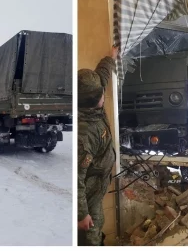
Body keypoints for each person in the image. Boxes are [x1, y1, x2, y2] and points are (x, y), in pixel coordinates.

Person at [78, 46, 118, 246]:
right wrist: (81, 214)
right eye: (102, 93)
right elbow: (77, 179)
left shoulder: (90, 103)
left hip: (98, 185)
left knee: (98, 223)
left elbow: (101, 76)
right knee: (91, 232)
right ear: (98, 101)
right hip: (89, 193)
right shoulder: (85, 134)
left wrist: (110, 58)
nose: (104, 92)